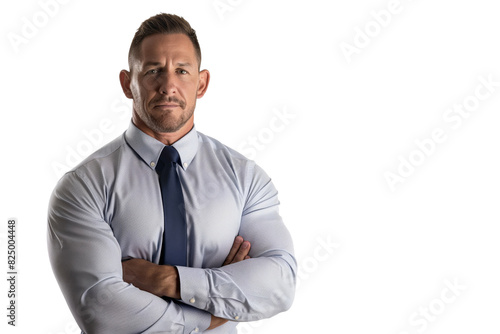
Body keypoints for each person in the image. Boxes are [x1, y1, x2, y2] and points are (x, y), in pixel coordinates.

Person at [47, 13, 296, 334]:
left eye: (181, 71)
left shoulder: (246, 178)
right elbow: (102, 309)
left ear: (202, 83)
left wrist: (164, 279)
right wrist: (220, 308)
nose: (168, 86)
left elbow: (279, 284)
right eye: (153, 71)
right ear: (127, 83)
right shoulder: (85, 184)